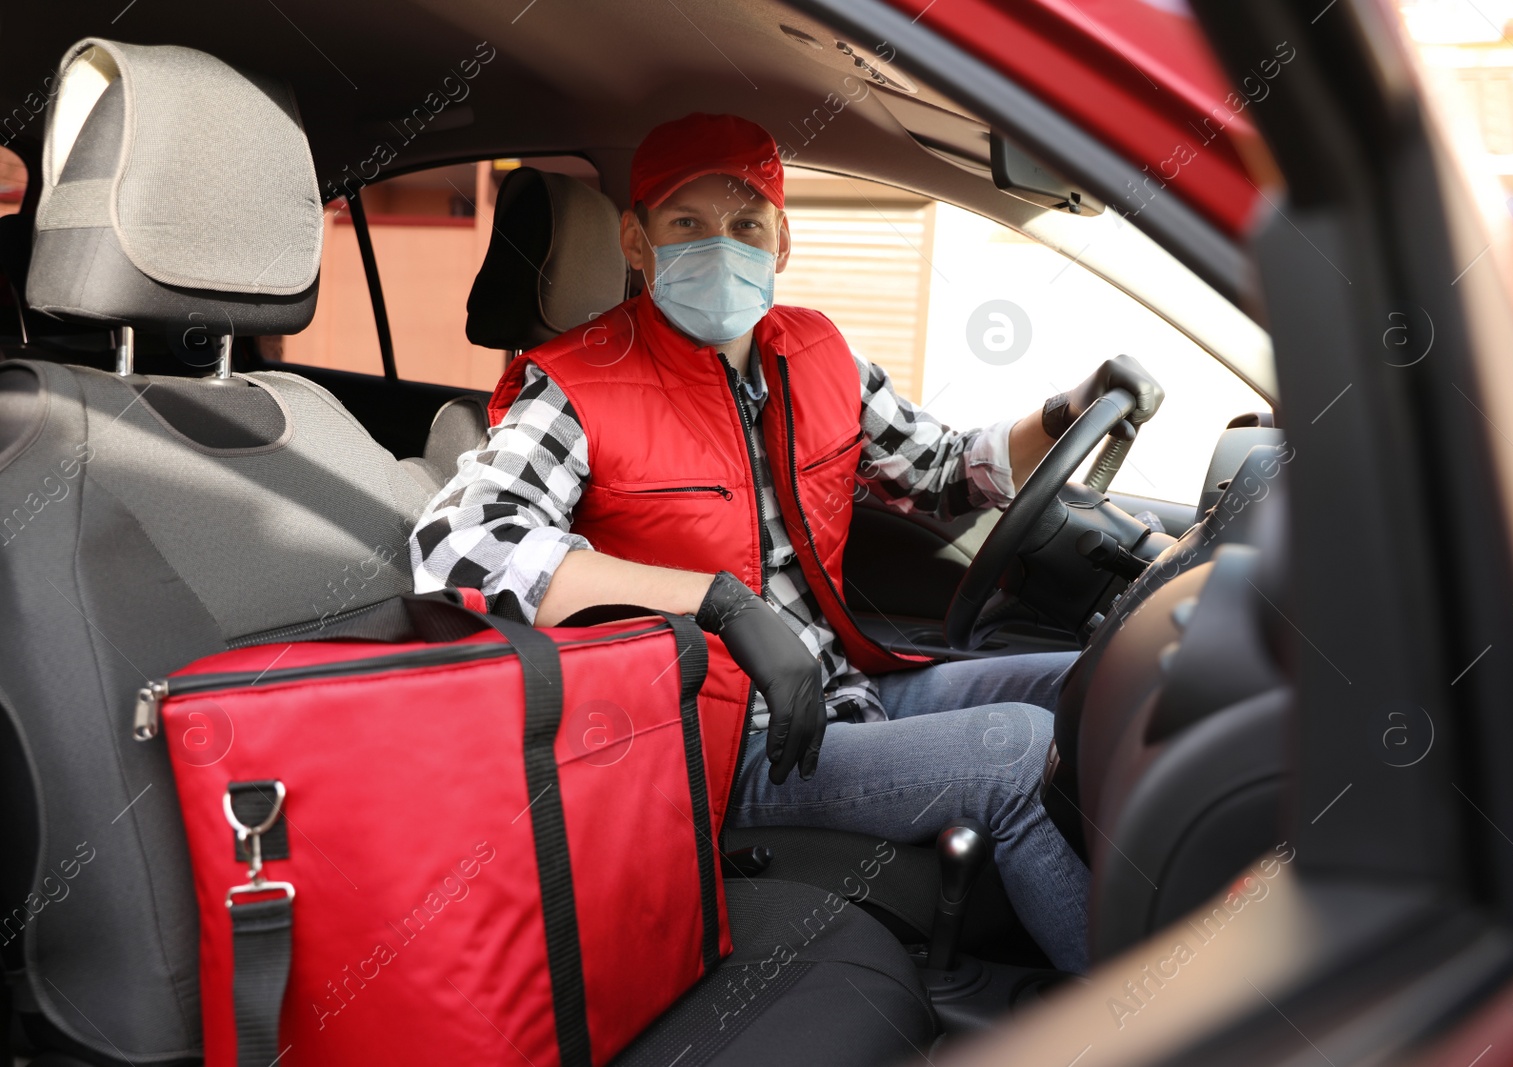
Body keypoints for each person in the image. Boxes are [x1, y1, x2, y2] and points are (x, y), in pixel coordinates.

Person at [410, 112, 1163, 972]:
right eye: (686, 224)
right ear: (635, 239)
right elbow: (458, 547)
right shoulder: (577, 385)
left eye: (744, 224)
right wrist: (714, 603)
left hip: (846, 689)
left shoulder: (818, 354)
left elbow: (951, 472)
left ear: (782, 239)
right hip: (726, 746)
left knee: (1096, 677)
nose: (719, 246)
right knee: (1016, 751)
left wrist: (1071, 405)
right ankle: (1148, 1013)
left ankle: (1193, 909)